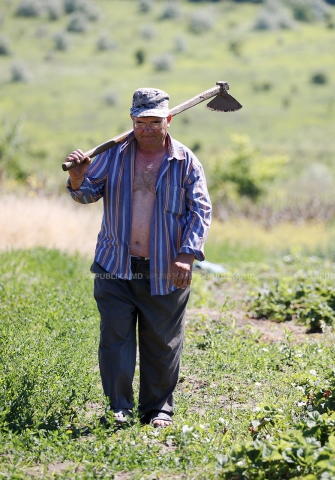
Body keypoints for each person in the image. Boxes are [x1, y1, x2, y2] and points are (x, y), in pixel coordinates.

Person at [65, 88, 212, 427]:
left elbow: (201, 211)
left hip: (166, 269)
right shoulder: (113, 155)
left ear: (168, 120)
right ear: (131, 120)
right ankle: (119, 407)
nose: (147, 128)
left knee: (162, 342)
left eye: (154, 122)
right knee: (115, 339)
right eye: (140, 121)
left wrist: (187, 255)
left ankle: (158, 409)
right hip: (114, 266)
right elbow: (87, 194)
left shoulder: (185, 161)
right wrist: (77, 176)